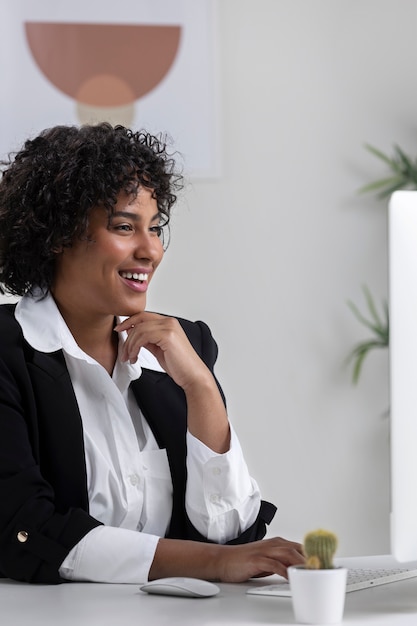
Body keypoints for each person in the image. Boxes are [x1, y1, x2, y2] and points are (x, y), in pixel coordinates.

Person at [0, 123, 304, 585]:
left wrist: (201, 387)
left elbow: (230, 532)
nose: (151, 250)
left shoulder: (181, 348)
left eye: (155, 228)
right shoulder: (9, 354)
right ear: (57, 235)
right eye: (125, 227)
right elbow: (25, 530)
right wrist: (213, 564)